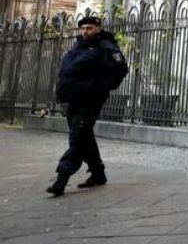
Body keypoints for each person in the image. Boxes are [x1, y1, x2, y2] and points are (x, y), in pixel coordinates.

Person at [48, 15, 128, 196]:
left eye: (89, 28)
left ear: (98, 28)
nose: (85, 31)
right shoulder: (78, 46)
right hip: (72, 97)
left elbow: (120, 69)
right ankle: (98, 173)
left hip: (90, 98)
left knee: (78, 137)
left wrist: (101, 86)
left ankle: (61, 178)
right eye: (83, 28)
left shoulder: (106, 47)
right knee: (84, 136)